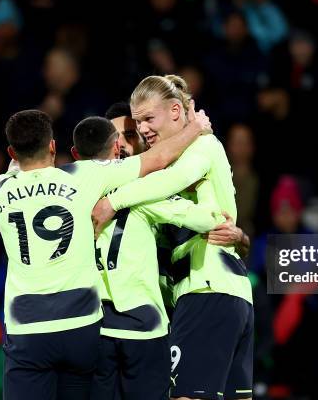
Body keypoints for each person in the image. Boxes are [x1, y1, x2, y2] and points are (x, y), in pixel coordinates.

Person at [0, 107, 210, 400]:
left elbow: (14, 172)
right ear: (53, 146)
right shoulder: (83, 176)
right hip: (80, 326)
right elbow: (157, 159)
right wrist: (195, 127)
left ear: (11, 151)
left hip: (28, 328)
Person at [94, 74, 253, 400]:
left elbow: (178, 183)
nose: (142, 130)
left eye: (147, 120)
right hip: (214, 293)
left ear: (178, 112)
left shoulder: (201, 146)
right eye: (138, 123)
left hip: (205, 288)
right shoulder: (146, 175)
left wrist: (112, 202)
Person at [70, 115, 224, 400]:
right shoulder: (143, 195)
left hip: (95, 325)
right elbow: (209, 219)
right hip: (145, 326)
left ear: (75, 154)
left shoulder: (67, 197)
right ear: (116, 149)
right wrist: (202, 188)